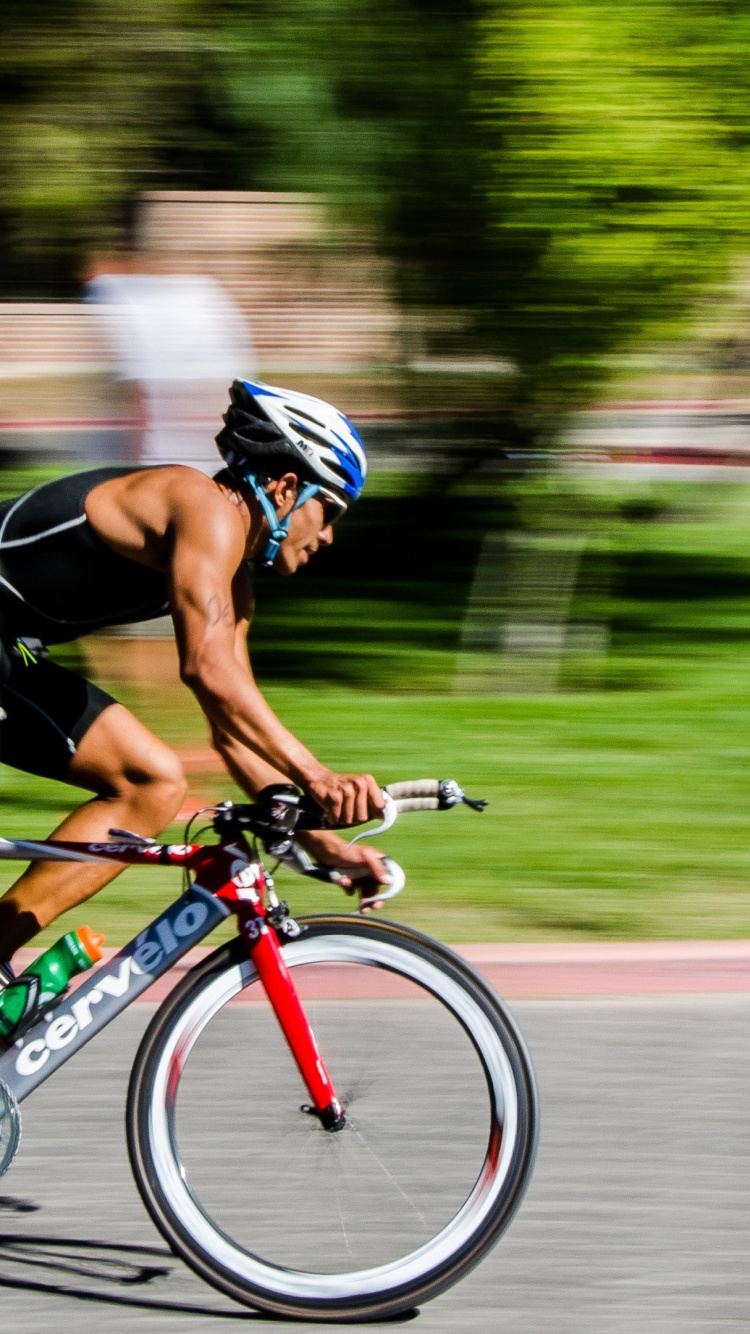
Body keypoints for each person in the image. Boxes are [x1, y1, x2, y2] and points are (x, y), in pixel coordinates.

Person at [0, 379, 388, 1040]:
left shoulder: (230, 573)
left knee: (150, 781)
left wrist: (321, 841)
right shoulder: (200, 505)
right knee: (150, 777)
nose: (329, 536)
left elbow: (230, 725)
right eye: (333, 511)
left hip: (17, 649)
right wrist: (319, 775)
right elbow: (205, 669)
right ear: (288, 488)